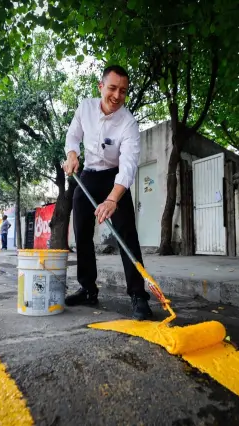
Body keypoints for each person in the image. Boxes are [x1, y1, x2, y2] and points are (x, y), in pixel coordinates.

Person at [63, 65, 152, 320]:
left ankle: (138, 295)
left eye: (123, 91)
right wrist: (72, 155)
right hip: (88, 174)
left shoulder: (128, 123)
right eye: (112, 88)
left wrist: (113, 199)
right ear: (101, 86)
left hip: (115, 178)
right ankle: (88, 288)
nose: (116, 95)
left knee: (126, 234)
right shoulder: (85, 108)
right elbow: (73, 136)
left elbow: (128, 165)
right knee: (81, 231)